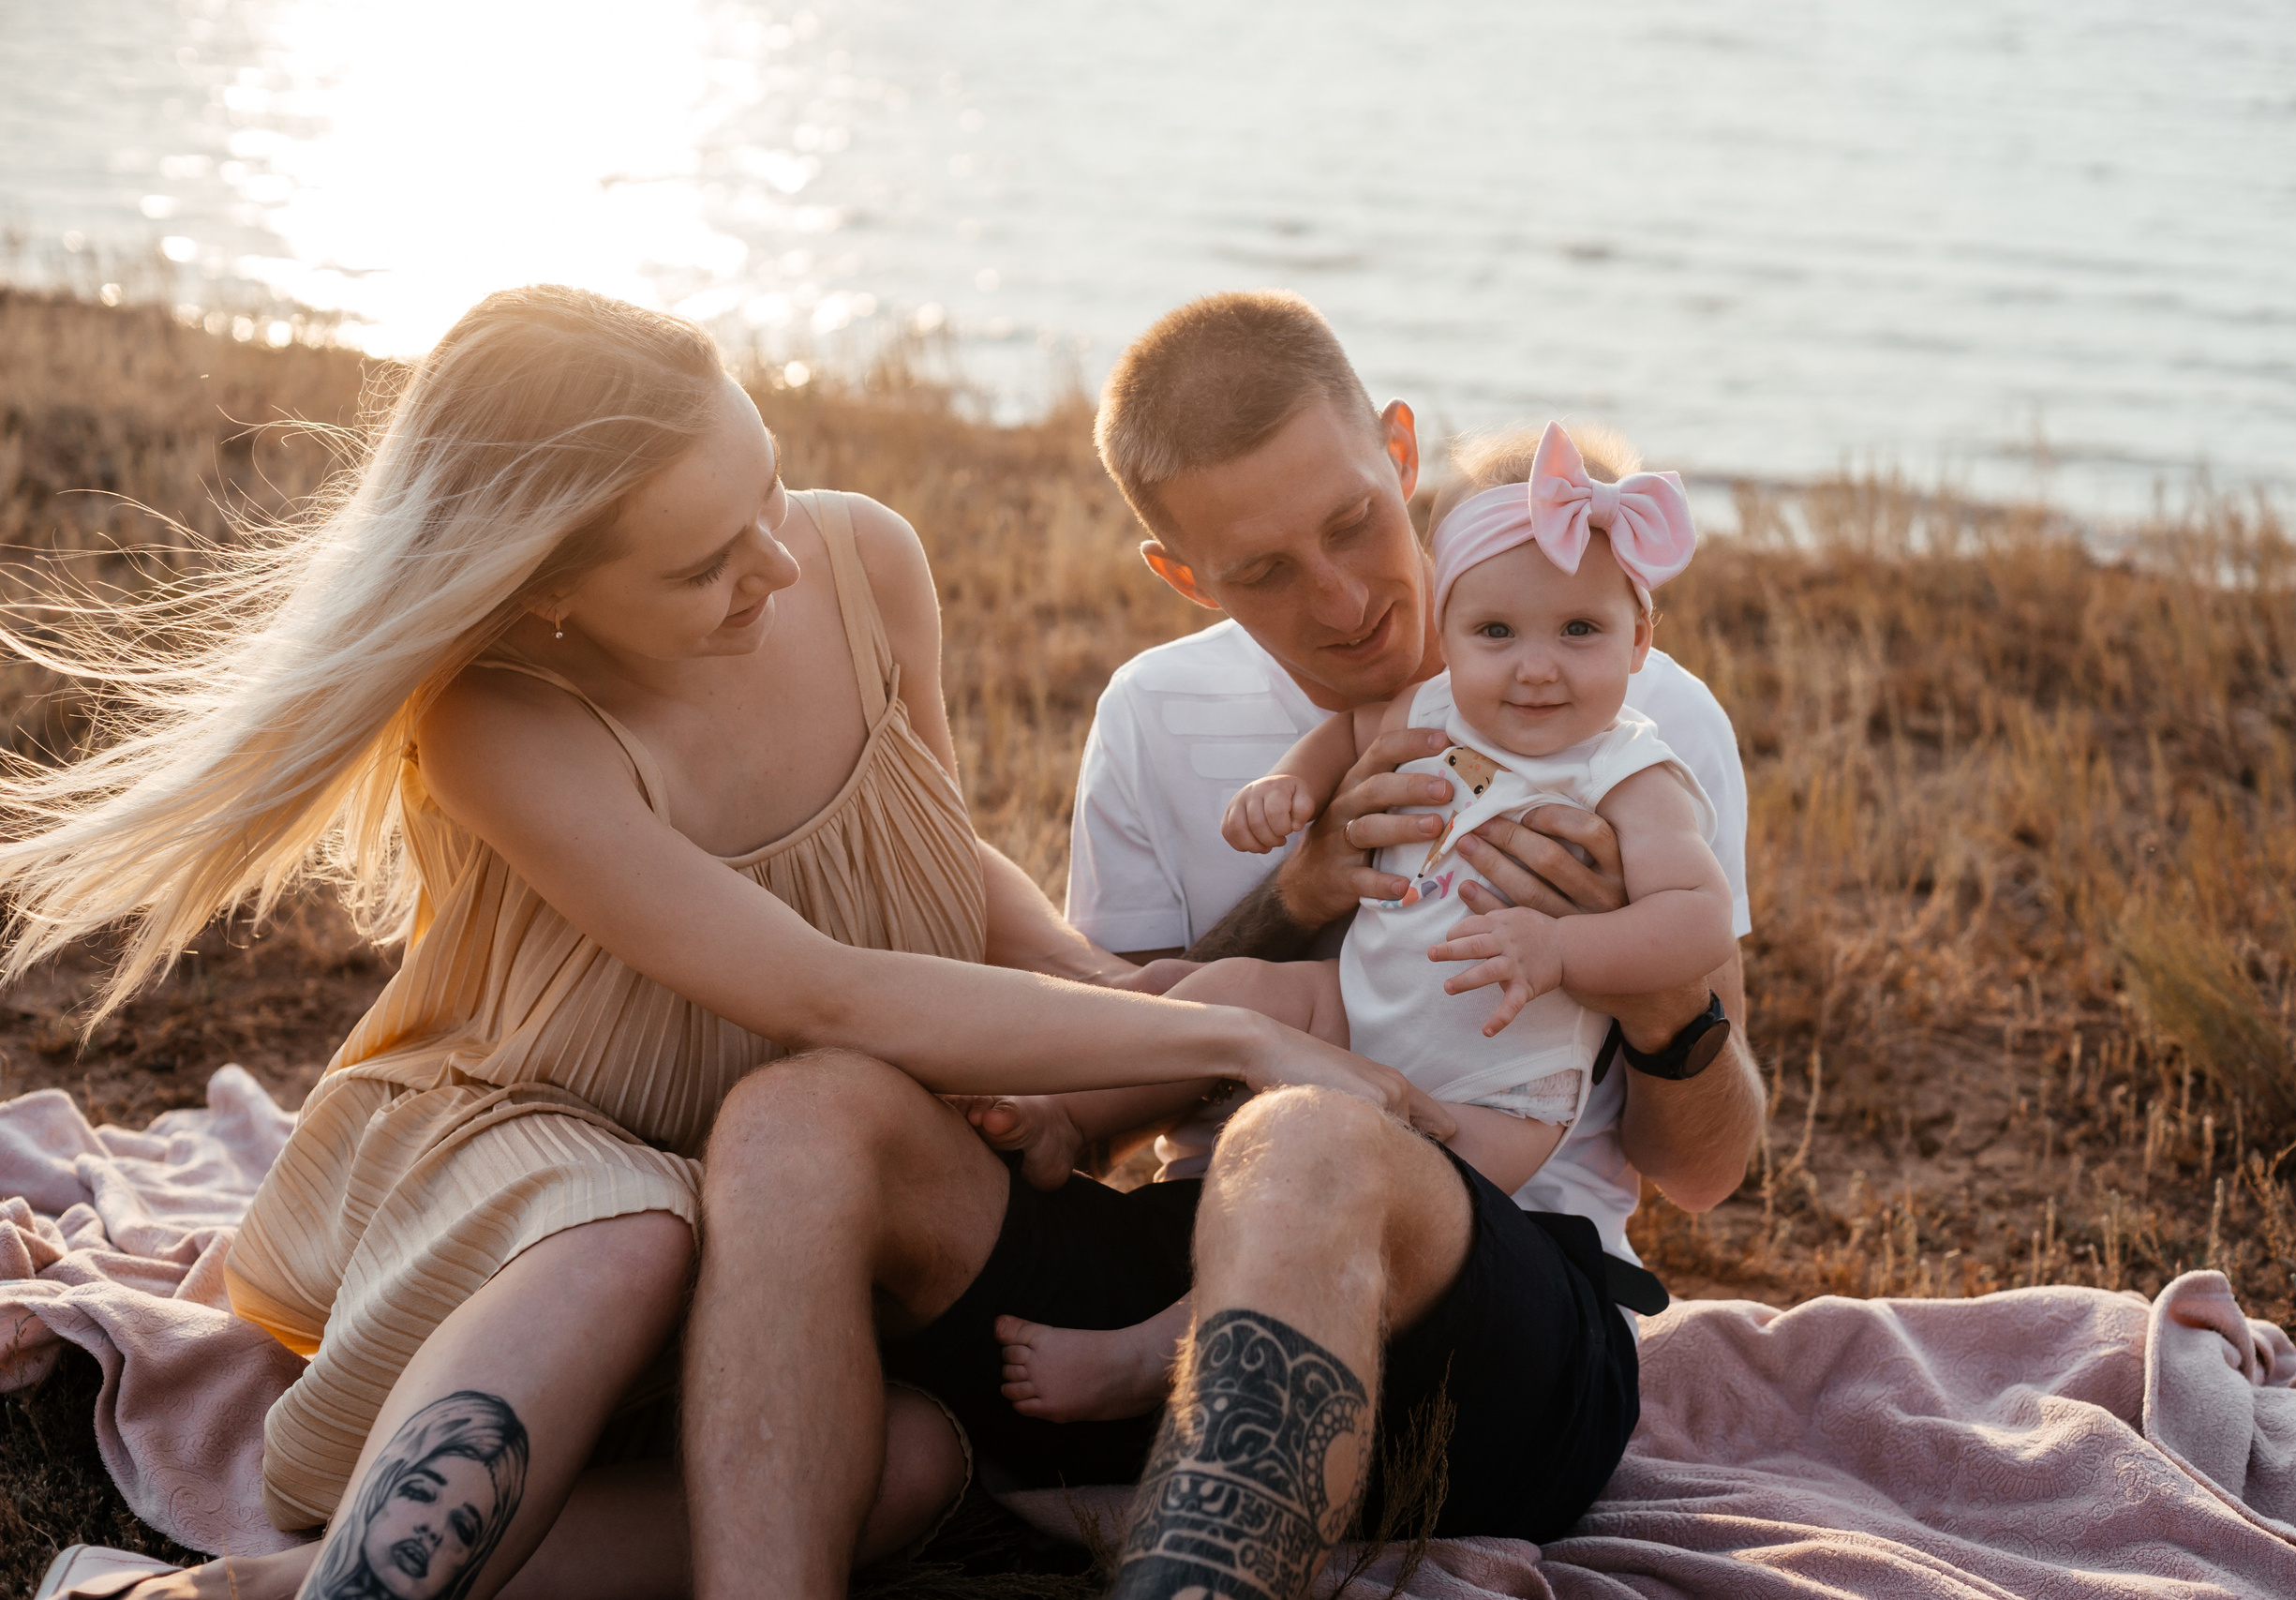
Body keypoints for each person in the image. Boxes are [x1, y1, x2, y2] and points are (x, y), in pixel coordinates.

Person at [5, 285, 1421, 1600]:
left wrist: (1099, 986)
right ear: (550, 586)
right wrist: (1227, 1031)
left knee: (913, 1461)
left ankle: (224, 1594)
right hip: (536, 1156)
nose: (780, 562)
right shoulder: (502, 717)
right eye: (705, 562)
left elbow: (929, 845)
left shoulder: (863, 555)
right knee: (628, 1228)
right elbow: (826, 984)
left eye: (767, 490)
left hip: (760, 1182)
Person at [977, 421, 1739, 1425]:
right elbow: (1341, 733)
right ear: (1448, 626)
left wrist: (1565, 947)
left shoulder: (1630, 770)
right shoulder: (1431, 708)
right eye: (1496, 634)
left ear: (1639, 639)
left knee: (1342, 1198)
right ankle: (1069, 1114)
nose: (1536, 669)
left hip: (1498, 1091)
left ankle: (1151, 1354)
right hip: (1359, 1010)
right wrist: (1289, 795)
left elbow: (1697, 922)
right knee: (1236, 992)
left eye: (1580, 632)